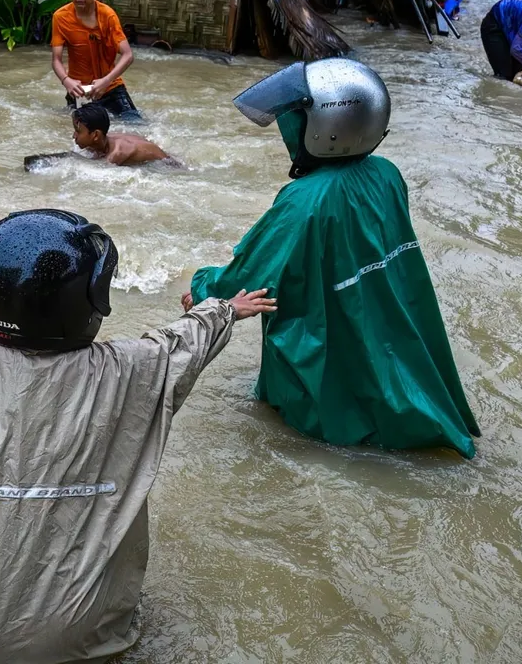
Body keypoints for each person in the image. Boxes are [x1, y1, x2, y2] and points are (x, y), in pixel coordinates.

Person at [0, 209, 274, 664]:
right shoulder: (130, 369)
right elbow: (180, 345)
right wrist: (224, 309)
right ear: (88, 303)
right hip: (83, 647)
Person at [184, 58, 481, 459]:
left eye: (296, 120)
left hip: (326, 350)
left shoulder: (304, 199)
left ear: (325, 128)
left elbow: (250, 275)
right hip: (377, 327)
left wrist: (201, 287)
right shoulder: (387, 174)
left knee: (317, 433)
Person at [51, 0, 140, 119]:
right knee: (79, 137)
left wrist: (105, 81)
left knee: (136, 126)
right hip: (79, 90)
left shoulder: (108, 16)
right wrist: (66, 81)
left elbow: (128, 55)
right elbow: (56, 60)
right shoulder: (60, 17)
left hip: (110, 87)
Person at [72, 103, 176, 166]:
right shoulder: (100, 140)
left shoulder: (117, 153)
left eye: (78, 131)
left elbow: (96, 171)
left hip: (168, 164)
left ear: (95, 135)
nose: (73, 136)